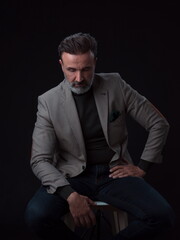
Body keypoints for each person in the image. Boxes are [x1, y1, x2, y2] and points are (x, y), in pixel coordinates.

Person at [25, 32, 175, 240]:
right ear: (61, 64)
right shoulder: (48, 102)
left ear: (95, 62)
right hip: (71, 177)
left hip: (114, 174)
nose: (79, 78)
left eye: (86, 69)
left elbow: (158, 123)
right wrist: (70, 195)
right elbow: (39, 159)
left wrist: (143, 166)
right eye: (71, 70)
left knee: (162, 216)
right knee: (36, 215)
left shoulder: (116, 85)